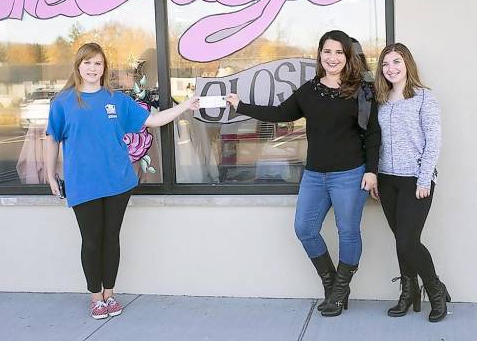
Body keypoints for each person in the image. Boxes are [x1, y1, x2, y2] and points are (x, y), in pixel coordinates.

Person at [226, 30, 380, 317]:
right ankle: (333, 285)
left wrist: (372, 171)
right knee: (304, 229)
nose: (332, 57)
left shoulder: (362, 90)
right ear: (319, 54)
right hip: (315, 175)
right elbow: (281, 113)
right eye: (327, 51)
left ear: (347, 57)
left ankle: (338, 289)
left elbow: (372, 134)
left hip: (350, 174)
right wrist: (241, 106)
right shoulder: (309, 90)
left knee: (348, 232)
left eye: (338, 52)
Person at [45, 43, 199, 319]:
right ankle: (96, 297)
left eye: (98, 64)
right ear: (78, 66)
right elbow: (52, 138)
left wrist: (186, 105)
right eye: (88, 63)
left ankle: (110, 294)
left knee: (111, 238)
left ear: (104, 68)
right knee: (91, 240)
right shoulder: (63, 102)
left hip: (118, 181)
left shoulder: (116, 100)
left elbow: (154, 120)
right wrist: (49, 175)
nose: (93, 68)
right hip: (83, 183)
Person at [374, 43, 449, 322]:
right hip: (387, 180)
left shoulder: (424, 98)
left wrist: (424, 177)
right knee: (400, 240)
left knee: (407, 241)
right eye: (385, 64)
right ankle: (409, 292)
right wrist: (374, 176)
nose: (391, 68)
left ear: (408, 65)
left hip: (415, 181)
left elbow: (434, 140)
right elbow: (374, 141)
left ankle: (436, 290)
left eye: (396, 62)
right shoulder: (379, 99)